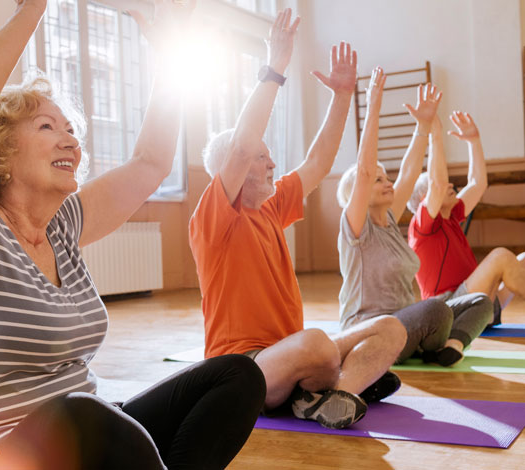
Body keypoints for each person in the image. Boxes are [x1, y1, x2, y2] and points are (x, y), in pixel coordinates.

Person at [0, 1, 266, 469]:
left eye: (71, 130)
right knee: (81, 415)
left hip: (82, 442)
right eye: (47, 127)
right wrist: (33, 9)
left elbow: (151, 162)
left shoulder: (63, 226)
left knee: (238, 376)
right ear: (0, 148)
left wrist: (170, 57)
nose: (71, 141)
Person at [189, 9, 405, 431]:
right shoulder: (213, 218)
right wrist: (275, 68)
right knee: (318, 346)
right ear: (231, 172)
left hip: (291, 351)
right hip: (243, 369)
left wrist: (343, 96)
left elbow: (318, 162)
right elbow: (240, 146)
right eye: (260, 157)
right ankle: (326, 387)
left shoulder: (272, 205)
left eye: (269, 155)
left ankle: (332, 394)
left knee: (389, 329)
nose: (271, 162)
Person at [337, 72, 493, 368]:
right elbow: (366, 169)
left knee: (480, 301)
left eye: (386, 177)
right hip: (370, 331)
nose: (386, 182)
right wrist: (374, 107)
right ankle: (430, 342)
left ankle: (447, 346)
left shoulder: (391, 221)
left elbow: (409, 172)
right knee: (435, 310)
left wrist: (423, 127)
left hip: (407, 323)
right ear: (358, 193)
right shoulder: (356, 228)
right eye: (377, 179)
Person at [407, 111, 525, 327]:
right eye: (445, 185)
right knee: (500, 256)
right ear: (426, 198)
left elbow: (477, 183)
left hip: (474, 303)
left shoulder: (451, 216)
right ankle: (481, 316)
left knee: (523, 259)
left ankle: (485, 316)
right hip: (446, 309)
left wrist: (473, 140)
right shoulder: (421, 226)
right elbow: (438, 184)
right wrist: (435, 133)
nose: (451, 185)